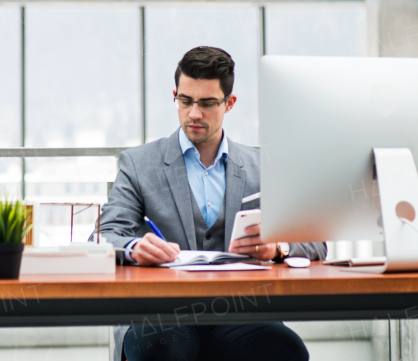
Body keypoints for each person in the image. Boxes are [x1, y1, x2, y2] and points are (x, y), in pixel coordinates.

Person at [97, 46, 327, 361]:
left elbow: (315, 241)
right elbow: (104, 236)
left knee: (287, 350)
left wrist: (279, 248)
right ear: (175, 95)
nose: (194, 113)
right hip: (161, 313)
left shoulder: (261, 167)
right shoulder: (139, 164)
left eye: (207, 104)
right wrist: (135, 247)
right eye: (185, 101)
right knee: (164, 347)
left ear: (229, 104)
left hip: (238, 314)